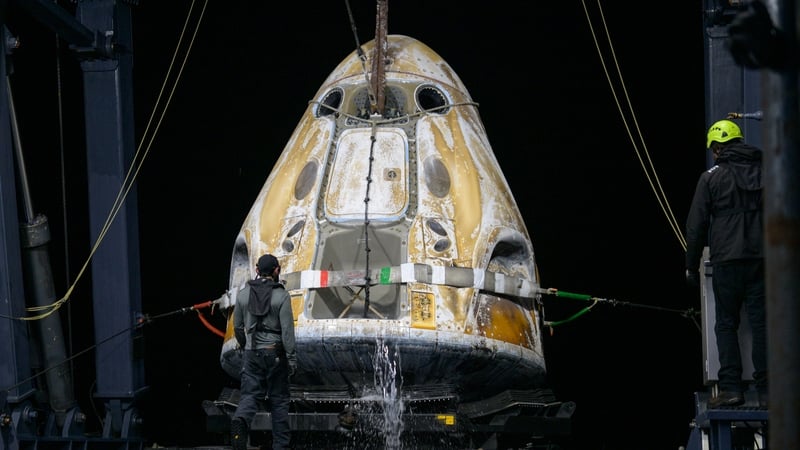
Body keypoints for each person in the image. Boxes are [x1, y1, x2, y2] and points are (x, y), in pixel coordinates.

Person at [685, 119, 767, 408]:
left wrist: (690, 264)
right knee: (761, 324)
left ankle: (731, 388)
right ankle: (768, 390)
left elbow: (696, 226)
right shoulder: (765, 172)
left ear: (717, 148)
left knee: (726, 324)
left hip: (727, 261)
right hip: (761, 259)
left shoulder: (711, 177)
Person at [230, 254, 297, 450]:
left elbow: (237, 327)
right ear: (277, 270)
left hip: (252, 354)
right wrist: (291, 360)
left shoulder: (243, 295)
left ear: (257, 270)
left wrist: (245, 345)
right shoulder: (282, 296)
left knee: (250, 395)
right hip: (275, 354)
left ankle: (241, 420)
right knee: (279, 401)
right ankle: (280, 446)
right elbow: (287, 332)